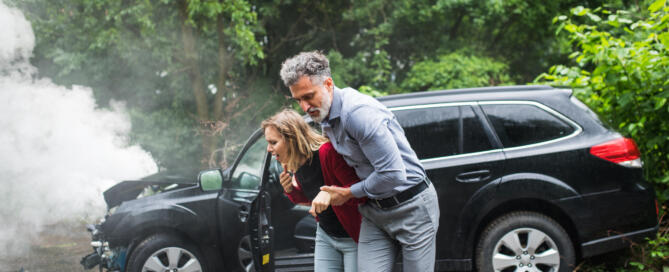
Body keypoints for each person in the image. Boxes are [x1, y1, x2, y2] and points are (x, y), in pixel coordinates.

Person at [279, 51, 440, 272]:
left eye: (308, 96)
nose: (305, 107)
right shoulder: (325, 116)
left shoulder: (357, 114)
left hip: (411, 205)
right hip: (374, 211)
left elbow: (393, 174)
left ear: (328, 84)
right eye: (299, 100)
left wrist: (347, 193)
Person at [262, 109, 363, 272]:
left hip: (352, 237)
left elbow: (359, 192)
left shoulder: (327, 152)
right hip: (326, 234)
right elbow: (311, 198)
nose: (268, 149)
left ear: (291, 139)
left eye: (273, 142)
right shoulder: (294, 163)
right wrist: (291, 190)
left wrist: (331, 193)